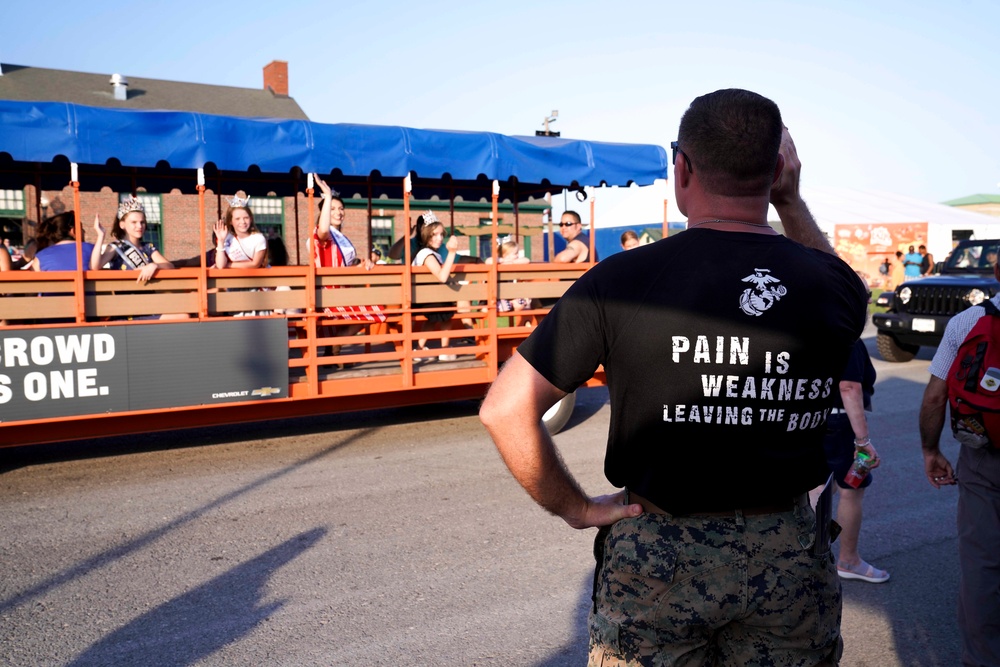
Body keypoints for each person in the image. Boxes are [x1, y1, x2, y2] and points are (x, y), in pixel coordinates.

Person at [480, 89, 867, 665]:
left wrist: (577, 508)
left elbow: (504, 409)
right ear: (777, 169)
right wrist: (790, 201)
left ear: (682, 168)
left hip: (656, 557)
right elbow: (841, 285)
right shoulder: (831, 286)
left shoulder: (619, 280)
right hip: (787, 551)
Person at [919, 258, 1000, 667]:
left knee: (982, 563)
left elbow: (935, 397)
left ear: (998, 271)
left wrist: (931, 451)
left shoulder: (967, 321)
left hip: (985, 456)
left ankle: (983, 657)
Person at [823, 280, 888, 584]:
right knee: (851, 490)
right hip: (839, 425)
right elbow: (849, 387)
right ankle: (848, 560)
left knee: (818, 489)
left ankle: (806, 559)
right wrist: (863, 441)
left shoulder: (813, 330)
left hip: (813, 422)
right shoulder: (847, 338)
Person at [309, 176, 385, 354]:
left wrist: (360, 266)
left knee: (376, 309)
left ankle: (334, 346)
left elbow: (343, 265)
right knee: (375, 310)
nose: (339, 212)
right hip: (329, 292)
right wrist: (327, 196)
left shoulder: (341, 236)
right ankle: (335, 343)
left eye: (341, 208)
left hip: (343, 289)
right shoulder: (323, 234)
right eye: (333, 209)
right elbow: (324, 230)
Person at [90, 196, 175, 283]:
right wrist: (101, 236)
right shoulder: (116, 247)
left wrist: (154, 265)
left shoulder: (148, 247)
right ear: (122, 224)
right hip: (124, 294)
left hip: (147, 293)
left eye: (142, 222)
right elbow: (94, 266)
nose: (139, 226)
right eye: (134, 222)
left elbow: (169, 265)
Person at [412, 212, 460, 360]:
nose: (440, 238)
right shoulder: (426, 254)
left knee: (434, 316)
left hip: (428, 297)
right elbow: (442, 276)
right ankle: (444, 349)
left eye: (441, 234)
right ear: (427, 235)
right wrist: (452, 252)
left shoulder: (430, 253)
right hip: (425, 299)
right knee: (446, 311)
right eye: (435, 235)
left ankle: (419, 349)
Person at [213, 196, 267, 269]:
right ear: (230, 221)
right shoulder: (227, 237)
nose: (243, 222)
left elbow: (255, 264)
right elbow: (220, 265)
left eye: (246, 218)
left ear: (251, 219)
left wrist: (228, 265)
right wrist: (221, 241)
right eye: (237, 219)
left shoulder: (258, 238)